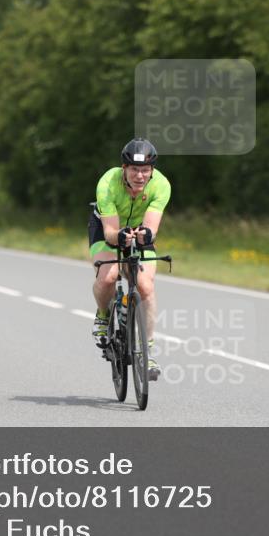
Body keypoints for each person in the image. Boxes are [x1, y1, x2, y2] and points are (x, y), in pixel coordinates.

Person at [89, 138, 171, 381]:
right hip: (108, 228)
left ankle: (148, 351)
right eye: (135, 169)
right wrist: (120, 236)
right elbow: (111, 233)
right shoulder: (107, 183)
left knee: (145, 286)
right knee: (109, 277)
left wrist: (146, 234)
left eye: (146, 170)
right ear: (124, 168)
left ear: (152, 170)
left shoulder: (161, 185)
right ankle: (103, 316)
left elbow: (151, 228)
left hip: (137, 229)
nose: (140, 175)